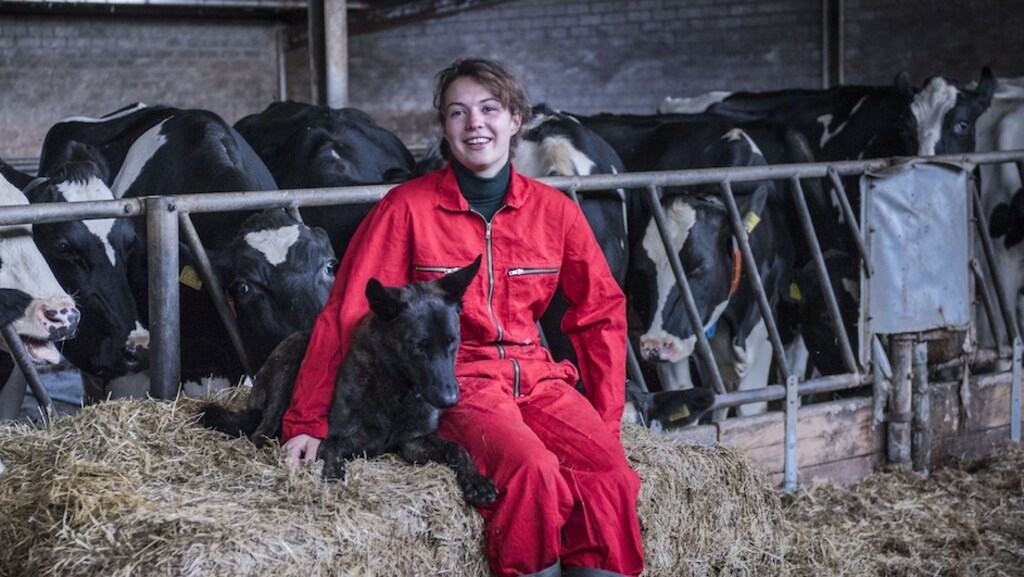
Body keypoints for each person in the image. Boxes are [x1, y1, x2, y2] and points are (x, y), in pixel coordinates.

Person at [280, 57, 645, 577]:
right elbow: (348, 312)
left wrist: (606, 421)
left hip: (540, 379)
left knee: (609, 476)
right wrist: (307, 421)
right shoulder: (406, 208)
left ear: (516, 120)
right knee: (532, 472)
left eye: (489, 109)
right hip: (461, 379)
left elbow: (600, 313)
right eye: (458, 112)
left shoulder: (555, 211)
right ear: (445, 127)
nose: (475, 123)